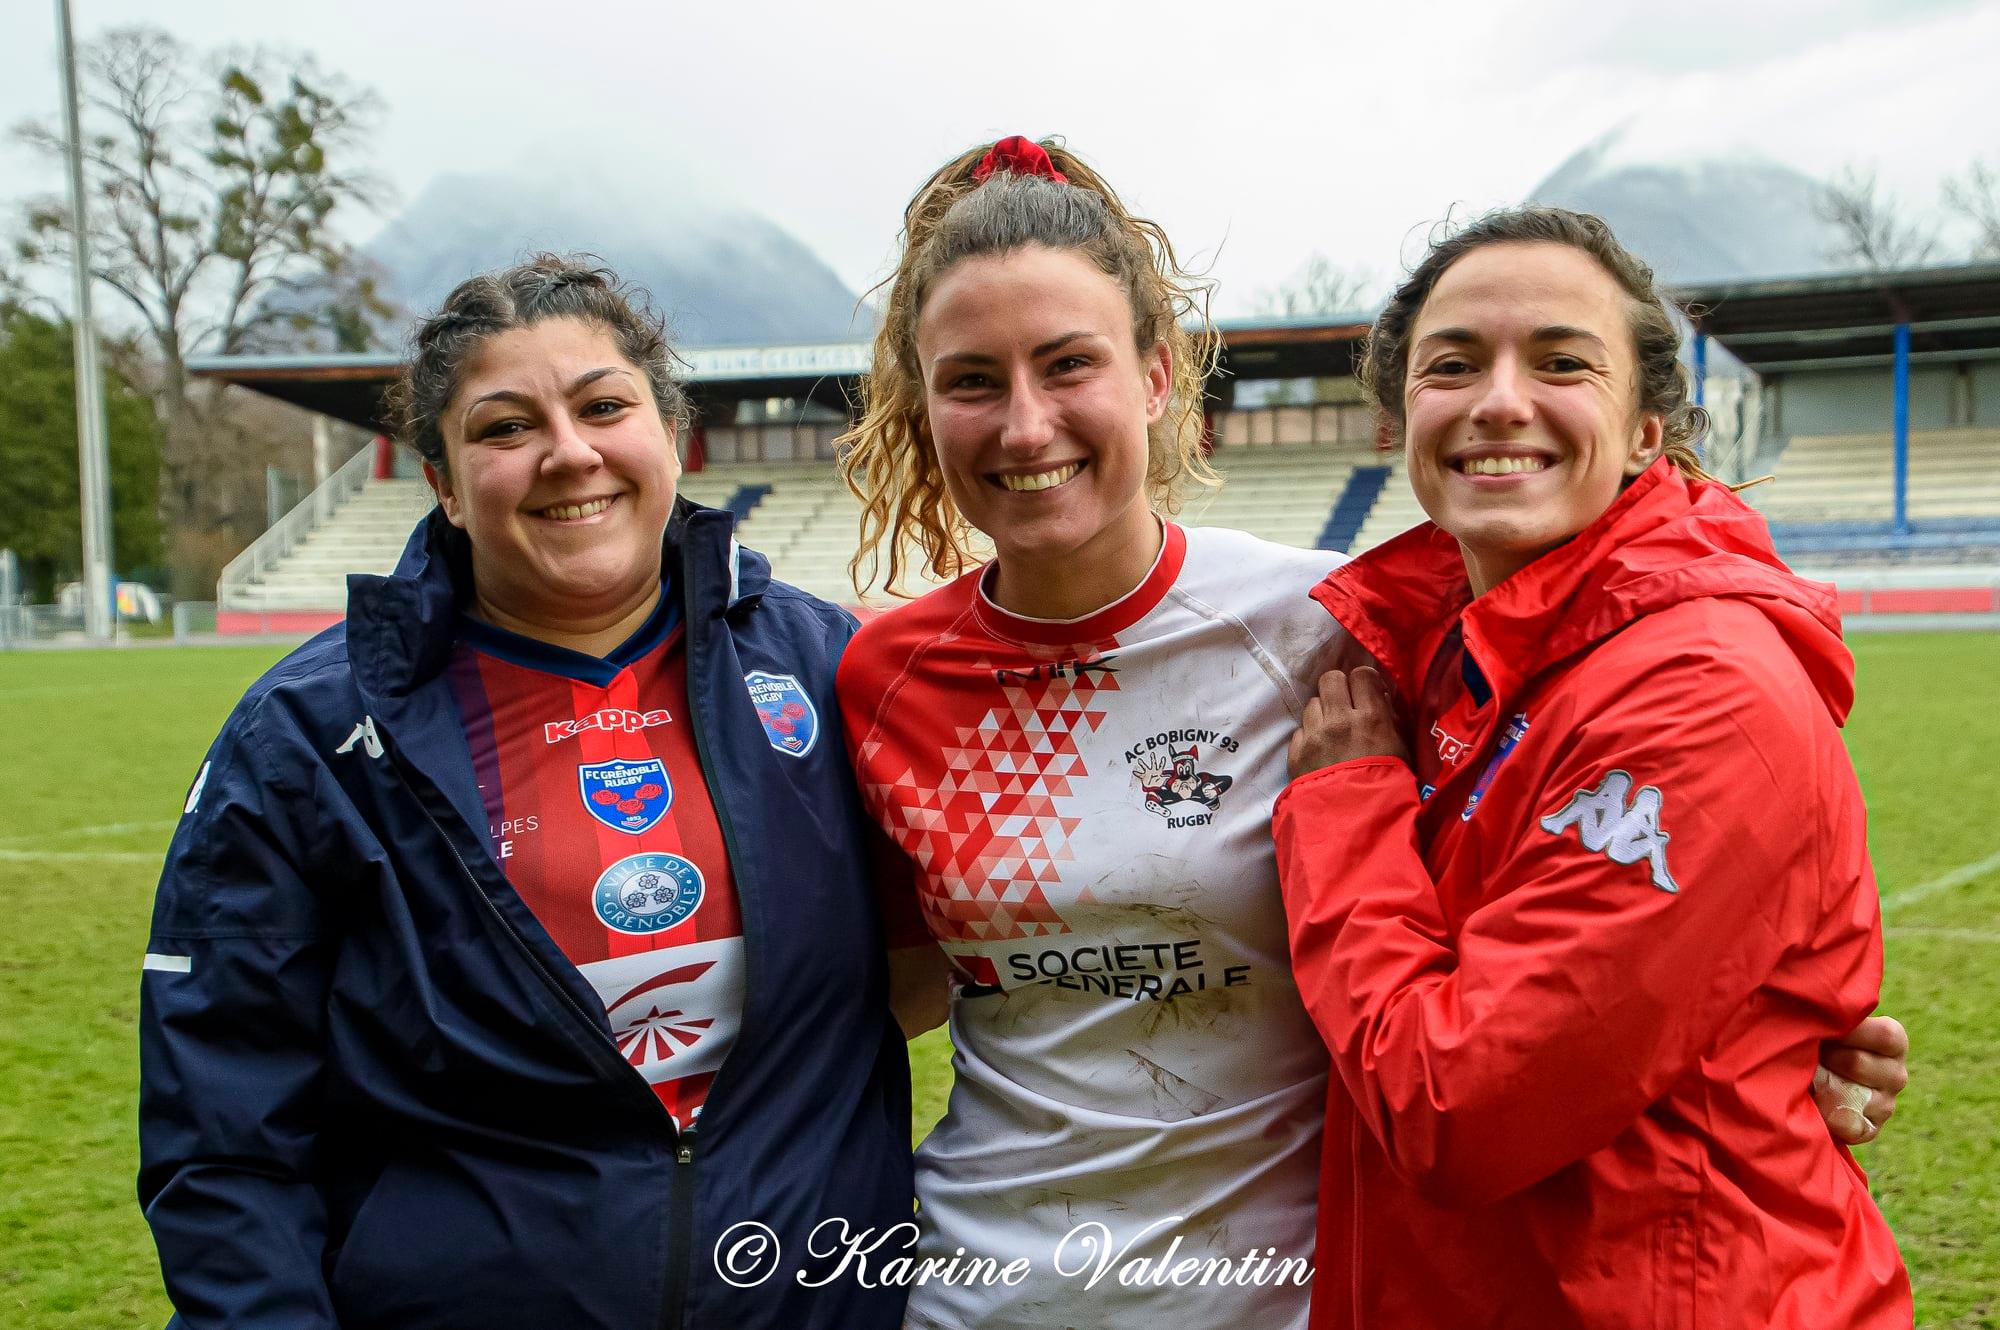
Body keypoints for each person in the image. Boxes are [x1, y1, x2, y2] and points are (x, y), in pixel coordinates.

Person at [833, 139, 1907, 1330]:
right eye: (972, 379)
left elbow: (1509, 985)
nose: (1025, 423)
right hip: (979, 1291)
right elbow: (887, 993)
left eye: (1067, 364)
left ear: (1154, 375)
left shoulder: (1334, 637)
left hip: (1284, 1294)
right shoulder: (882, 676)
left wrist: (1764, 1028)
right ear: (919, 403)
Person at [137, 256, 913, 1330]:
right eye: (504, 428)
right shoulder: (304, 740)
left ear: (670, 436)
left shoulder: (833, 673)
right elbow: (224, 1139)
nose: (569, 452)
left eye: (603, 406)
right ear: (445, 484)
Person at [1274, 207, 1913, 1328]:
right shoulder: (1440, 653)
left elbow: (1455, 1106)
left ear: (1642, 433)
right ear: (1400, 417)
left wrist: (1341, 806)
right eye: (1451, 364)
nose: (1498, 399)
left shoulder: (1698, 689)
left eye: (1560, 360)